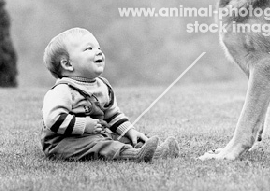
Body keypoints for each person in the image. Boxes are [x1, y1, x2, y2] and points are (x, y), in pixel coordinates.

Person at [41, 27, 179, 161]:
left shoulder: (102, 85)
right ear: (67, 64)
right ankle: (136, 155)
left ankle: (156, 151)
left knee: (123, 139)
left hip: (95, 136)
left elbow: (112, 115)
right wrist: (84, 125)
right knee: (104, 145)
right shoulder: (63, 90)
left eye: (99, 48)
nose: (98, 52)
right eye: (89, 49)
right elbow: (53, 119)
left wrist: (129, 131)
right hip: (64, 142)